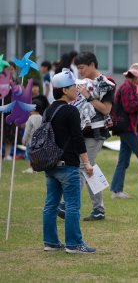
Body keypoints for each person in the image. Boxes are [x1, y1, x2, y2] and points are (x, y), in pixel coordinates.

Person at [43, 69, 96, 254]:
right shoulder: (71, 110)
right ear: (65, 90)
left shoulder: (49, 109)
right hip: (68, 165)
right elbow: (77, 139)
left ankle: (50, 242)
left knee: (51, 204)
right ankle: (74, 244)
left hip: (50, 164)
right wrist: (87, 163)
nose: (77, 89)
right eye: (74, 86)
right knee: (73, 205)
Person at [58, 52, 114, 221]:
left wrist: (88, 96)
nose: (80, 71)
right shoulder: (79, 83)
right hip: (80, 131)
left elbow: (106, 110)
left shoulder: (105, 83)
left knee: (84, 166)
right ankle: (98, 209)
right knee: (90, 168)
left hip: (96, 132)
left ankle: (67, 204)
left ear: (91, 65)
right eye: (78, 68)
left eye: (82, 67)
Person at [110, 63, 138, 199]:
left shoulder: (127, 86)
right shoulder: (128, 88)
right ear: (135, 76)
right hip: (128, 128)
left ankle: (117, 190)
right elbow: (130, 107)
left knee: (123, 160)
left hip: (125, 128)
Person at [21, 98, 45, 173]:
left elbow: (27, 130)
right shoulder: (42, 118)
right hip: (40, 141)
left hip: (31, 141)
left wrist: (24, 139)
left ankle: (31, 168)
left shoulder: (30, 118)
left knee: (30, 155)